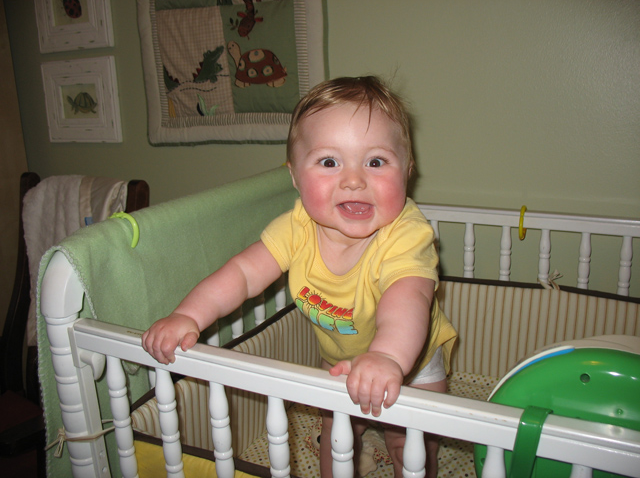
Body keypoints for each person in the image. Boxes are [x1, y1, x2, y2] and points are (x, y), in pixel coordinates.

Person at [142, 75, 457, 477]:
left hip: (412, 360)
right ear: (294, 177)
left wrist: (387, 357)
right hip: (338, 358)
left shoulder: (407, 234)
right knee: (336, 434)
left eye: (375, 162)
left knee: (409, 442)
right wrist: (188, 315)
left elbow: (407, 299)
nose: (354, 180)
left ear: (407, 172)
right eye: (329, 162)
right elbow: (242, 274)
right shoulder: (296, 229)